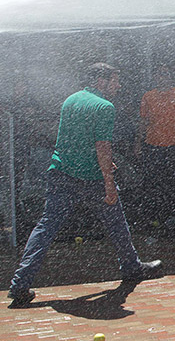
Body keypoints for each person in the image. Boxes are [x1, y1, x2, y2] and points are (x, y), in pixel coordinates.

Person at [8, 64, 162, 306]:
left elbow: (73, 138)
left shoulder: (71, 100)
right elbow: (102, 146)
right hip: (91, 178)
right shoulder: (104, 106)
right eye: (114, 81)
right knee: (116, 222)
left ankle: (20, 283)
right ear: (101, 81)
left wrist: (100, 162)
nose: (118, 86)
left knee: (46, 227)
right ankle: (131, 268)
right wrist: (109, 182)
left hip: (61, 172)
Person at [135, 65, 175, 230]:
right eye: (159, 74)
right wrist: (138, 143)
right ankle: (155, 220)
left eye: (165, 74)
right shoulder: (148, 97)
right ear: (155, 77)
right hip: (153, 147)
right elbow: (143, 122)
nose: (162, 77)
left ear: (170, 76)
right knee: (154, 184)